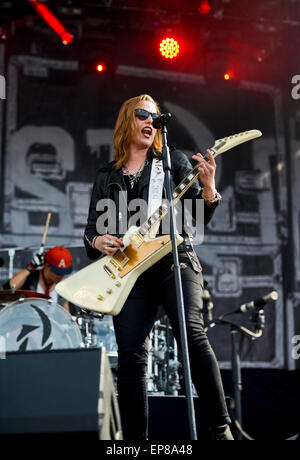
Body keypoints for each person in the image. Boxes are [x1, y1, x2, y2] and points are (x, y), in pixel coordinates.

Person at [84, 94, 233, 440]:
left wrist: (209, 189)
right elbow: (91, 230)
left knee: (191, 336)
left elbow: (194, 221)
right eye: (142, 114)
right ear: (127, 121)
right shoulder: (106, 176)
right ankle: (136, 443)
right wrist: (98, 241)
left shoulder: (172, 163)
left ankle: (220, 428)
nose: (150, 121)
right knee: (131, 355)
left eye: (155, 116)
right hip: (131, 272)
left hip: (174, 259)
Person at [2, 246, 73, 310]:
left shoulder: (63, 287)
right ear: (47, 265)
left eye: (64, 272)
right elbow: (7, 289)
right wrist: (30, 267)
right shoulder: (30, 278)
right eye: (58, 272)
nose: (61, 276)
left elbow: (65, 318)